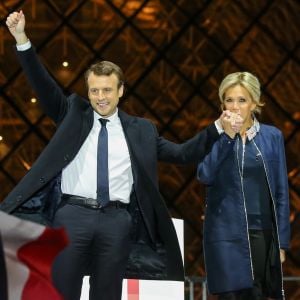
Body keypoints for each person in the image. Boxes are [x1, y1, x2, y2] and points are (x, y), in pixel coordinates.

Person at [1, 11, 242, 300]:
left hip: (116, 222)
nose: (100, 96)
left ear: (120, 91)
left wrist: (218, 128)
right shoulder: (72, 115)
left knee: (107, 295)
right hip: (71, 217)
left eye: (106, 90)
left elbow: (182, 153)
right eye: (94, 90)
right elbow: (42, 85)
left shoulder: (141, 130)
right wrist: (21, 39)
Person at [197, 72, 290, 300]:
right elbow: (204, 175)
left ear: (254, 103)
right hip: (225, 232)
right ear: (222, 104)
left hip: (261, 232)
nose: (235, 106)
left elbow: (281, 192)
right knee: (229, 296)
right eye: (229, 100)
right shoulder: (213, 136)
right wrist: (227, 136)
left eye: (242, 100)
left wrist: (282, 243)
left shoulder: (272, 136)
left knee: (255, 294)